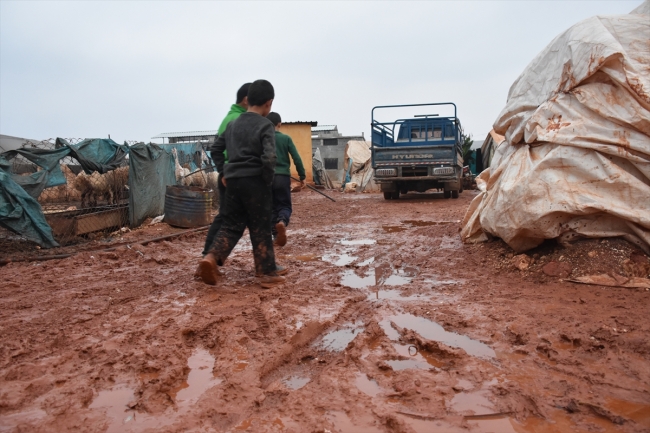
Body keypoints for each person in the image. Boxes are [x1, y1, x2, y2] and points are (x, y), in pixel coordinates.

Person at [197, 79, 286, 288]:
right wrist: (267, 180)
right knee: (260, 226)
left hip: (233, 182)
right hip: (255, 181)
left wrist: (224, 171)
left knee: (231, 224)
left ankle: (210, 258)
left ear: (248, 101)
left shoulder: (232, 124)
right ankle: (266, 272)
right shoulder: (266, 125)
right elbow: (270, 157)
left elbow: (216, 149)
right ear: (269, 103)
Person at [201, 82, 252, 257]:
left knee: (225, 216)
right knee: (230, 218)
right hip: (232, 176)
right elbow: (220, 149)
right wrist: (224, 172)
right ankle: (209, 255)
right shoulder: (237, 120)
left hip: (229, 174)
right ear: (246, 100)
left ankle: (208, 255)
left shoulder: (231, 118)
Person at [265, 112, 306, 247]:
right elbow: (297, 158)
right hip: (283, 177)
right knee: (285, 205)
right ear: (279, 124)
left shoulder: (264, 140)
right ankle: (282, 222)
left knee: (271, 207)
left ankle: (275, 236)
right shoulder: (286, 139)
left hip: (267, 177)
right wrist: (302, 176)